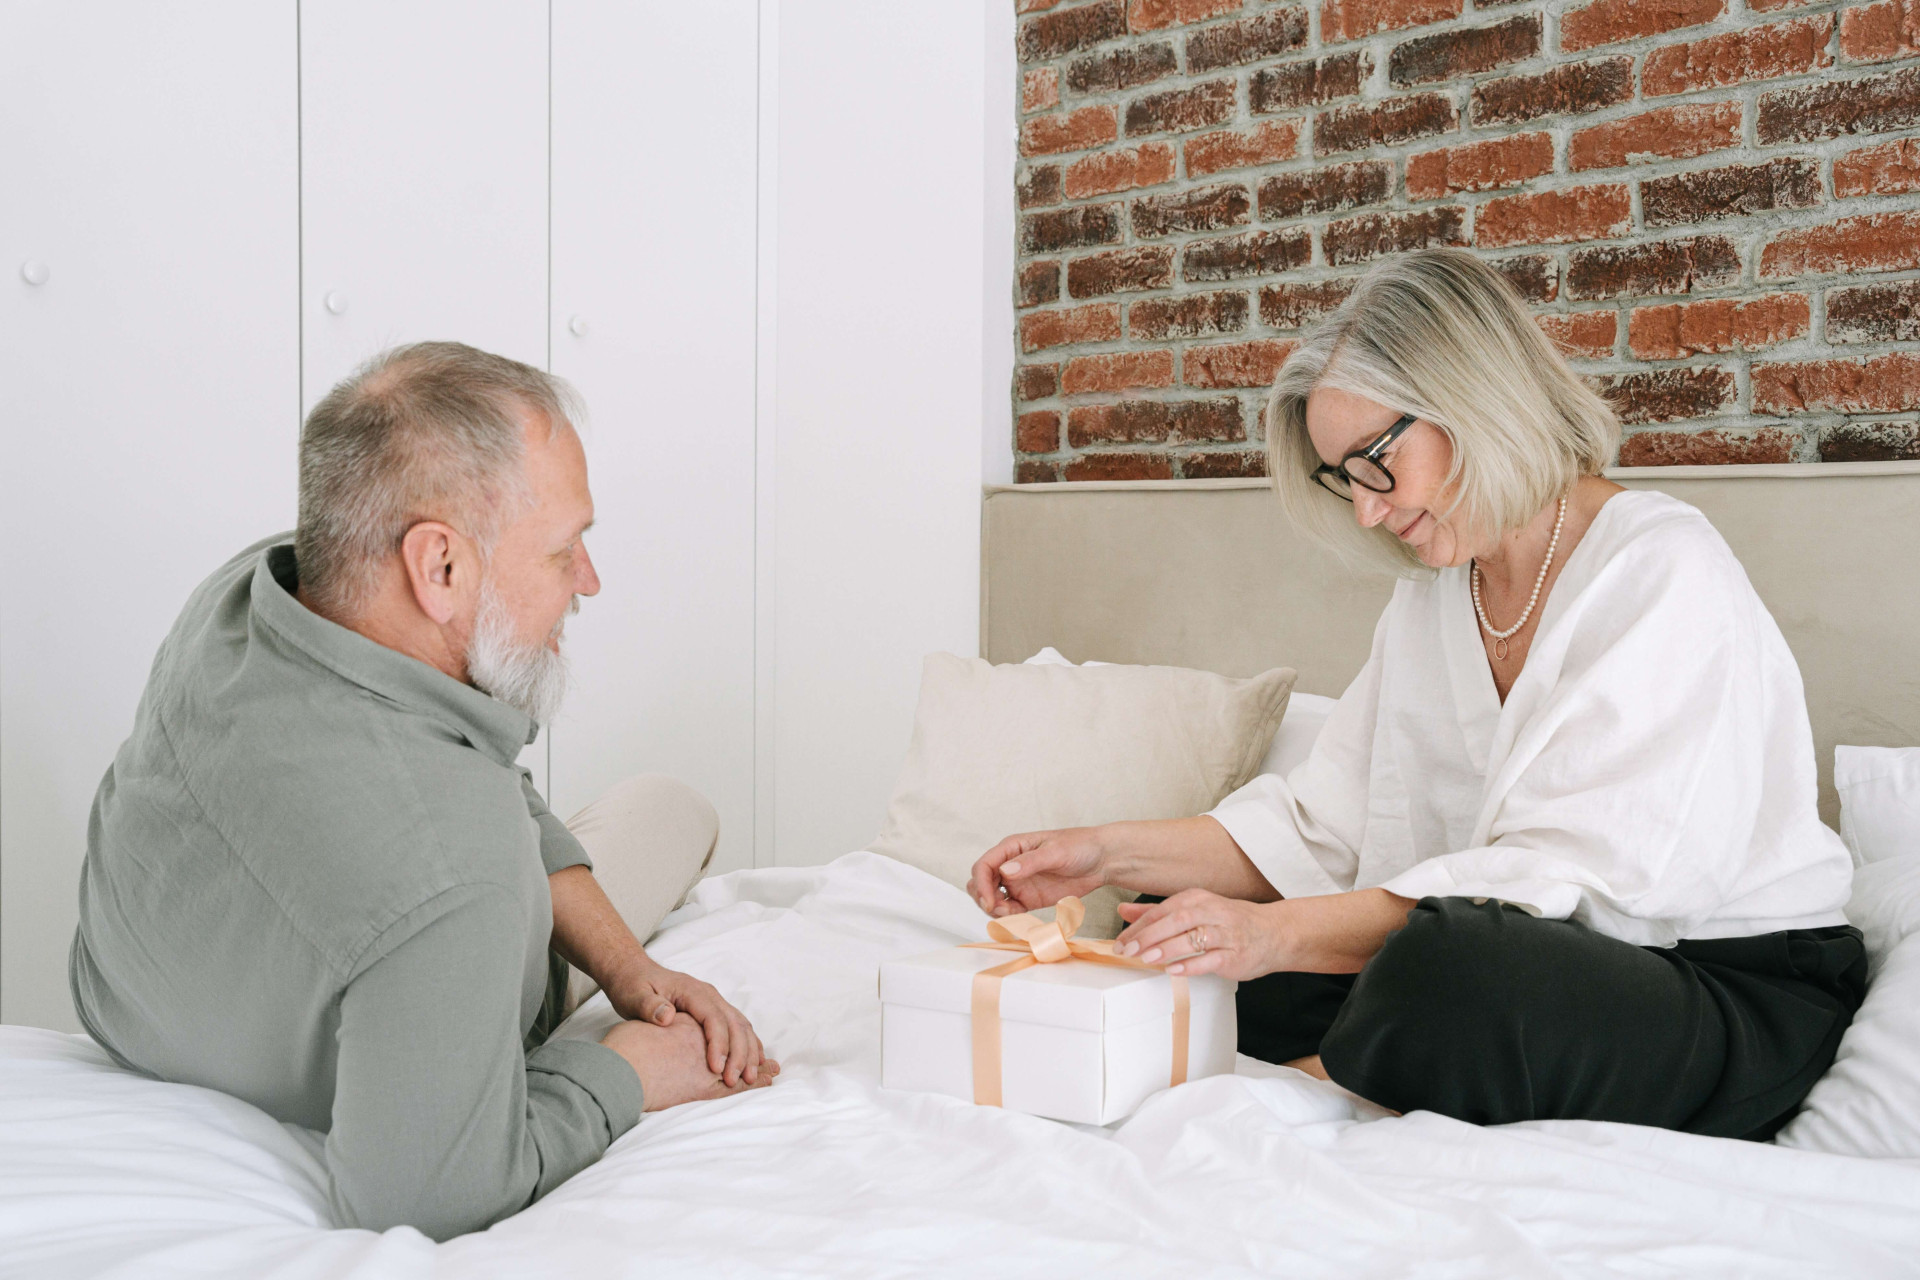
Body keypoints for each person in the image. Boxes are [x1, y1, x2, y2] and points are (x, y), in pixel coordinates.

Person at [970, 250, 1863, 1140]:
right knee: (1189, 946)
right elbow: (1320, 829)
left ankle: (1292, 1098)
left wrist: (1272, 936)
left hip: (1718, 987)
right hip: (1511, 956)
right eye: (1343, 479)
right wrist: (1105, 855)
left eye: (1374, 462)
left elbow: (1581, 887)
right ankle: (1353, 1060)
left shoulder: (1661, 568)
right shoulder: (1435, 595)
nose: (1366, 510)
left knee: (1445, 968)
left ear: (1471, 401)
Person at [70, 342, 776, 1241]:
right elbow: (427, 1195)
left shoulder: (245, 596)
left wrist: (633, 971)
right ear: (439, 567)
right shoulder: (455, 870)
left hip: (144, 1004)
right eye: (566, 551)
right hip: (452, 946)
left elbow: (461, 776)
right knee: (677, 805)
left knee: (607, 809)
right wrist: (628, 1070)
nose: (589, 581)